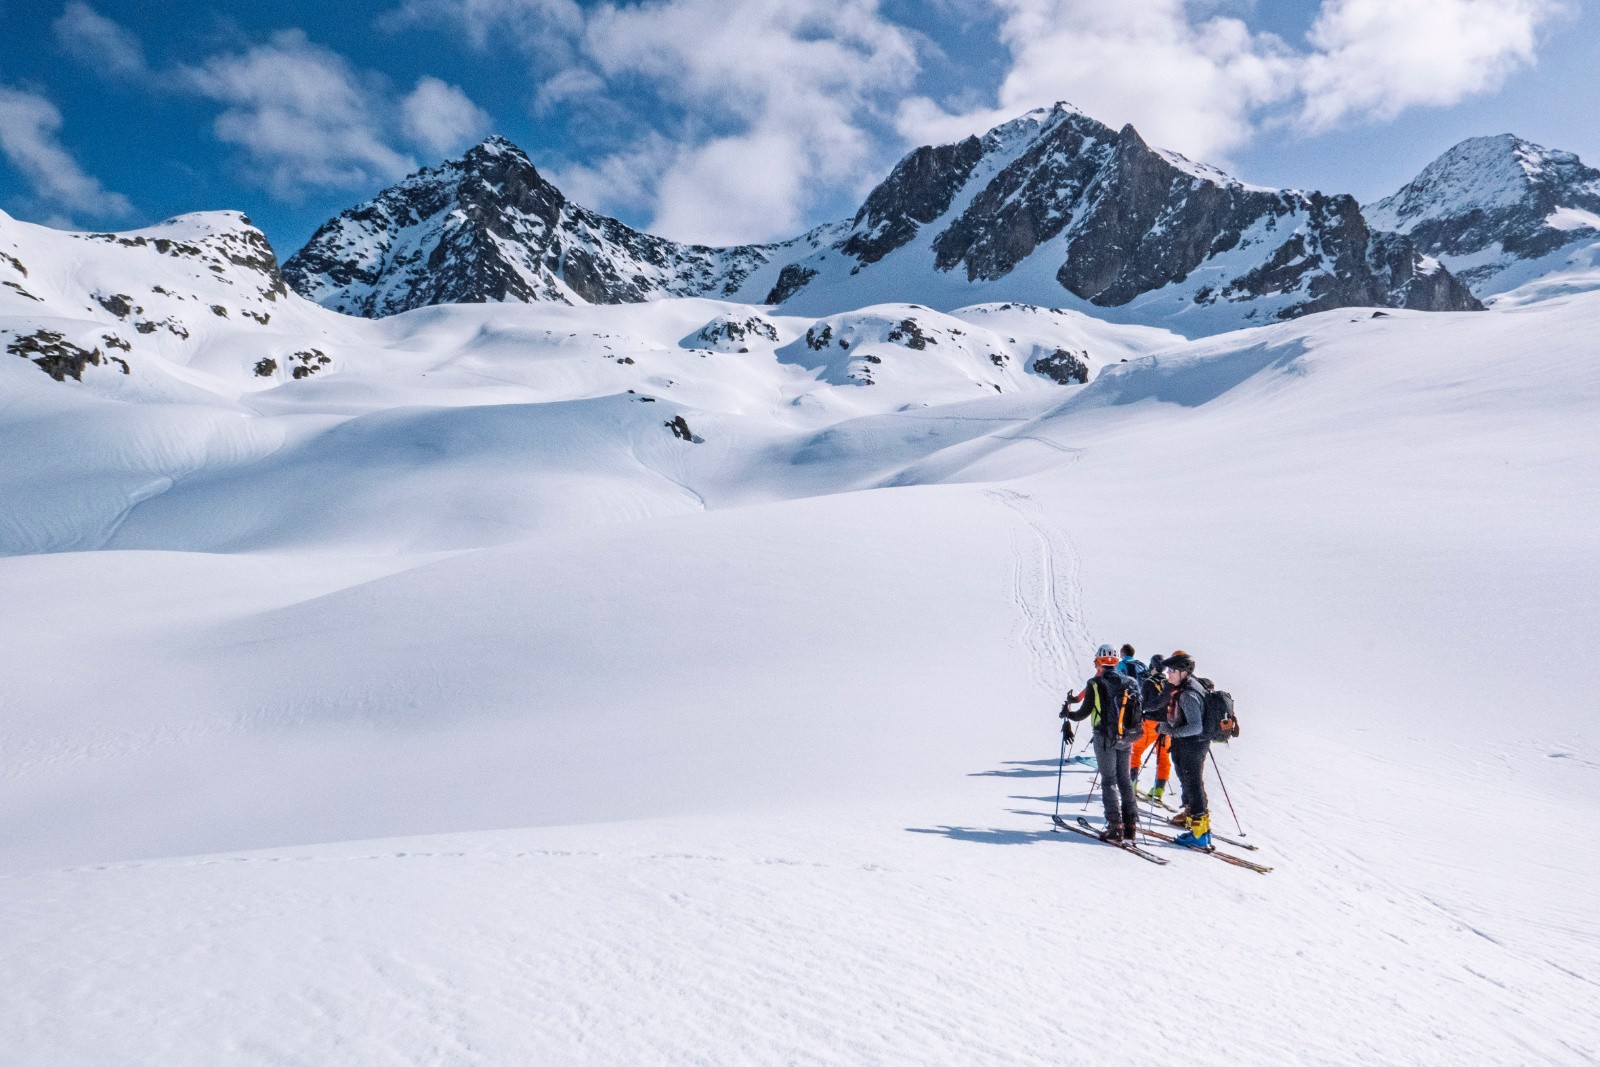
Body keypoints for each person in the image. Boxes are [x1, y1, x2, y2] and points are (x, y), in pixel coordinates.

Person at [1061, 644, 1143, 843]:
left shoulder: (1095, 683)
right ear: (1115, 662)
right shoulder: (1130, 682)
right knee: (1125, 780)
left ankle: (1115, 826)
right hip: (1126, 737)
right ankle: (1130, 825)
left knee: (1108, 781)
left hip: (1104, 737)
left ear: (1099, 661)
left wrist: (1068, 714)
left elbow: (1084, 712)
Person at [1157, 650, 1211, 848]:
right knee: (1191, 784)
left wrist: (1170, 731)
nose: (1168, 673)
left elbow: (1196, 726)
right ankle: (1197, 826)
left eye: (1172, 670)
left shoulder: (1188, 694)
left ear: (1183, 673)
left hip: (1192, 745)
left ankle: (1200, 834)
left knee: (1193, 785)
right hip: (1190, 744)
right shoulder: (1187, 687)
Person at [1129, 652, 1171, 802]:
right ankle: (1158, 790)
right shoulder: (1170, 683)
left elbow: (1142, 703)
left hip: (1150, 723)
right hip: (1166, 725)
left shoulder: (1148, 682)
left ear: (1152, 666)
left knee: (1135, 751)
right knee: (1163, 756)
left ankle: (1131, 783)